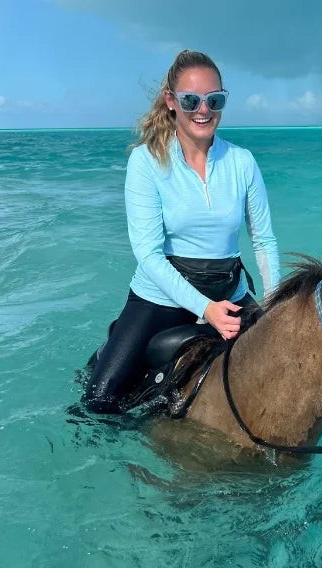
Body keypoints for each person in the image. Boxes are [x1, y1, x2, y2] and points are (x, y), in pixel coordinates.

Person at [82, 50, 281, 414]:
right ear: (171, 102)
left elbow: (263, 240)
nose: (203, 110)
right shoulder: (146, 161)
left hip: (230, 290)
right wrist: (206, 309)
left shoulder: (242, 161)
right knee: (99, 400)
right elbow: (148, 253)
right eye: (191, 100)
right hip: (160, 297)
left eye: (214, 100)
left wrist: (275, 304)